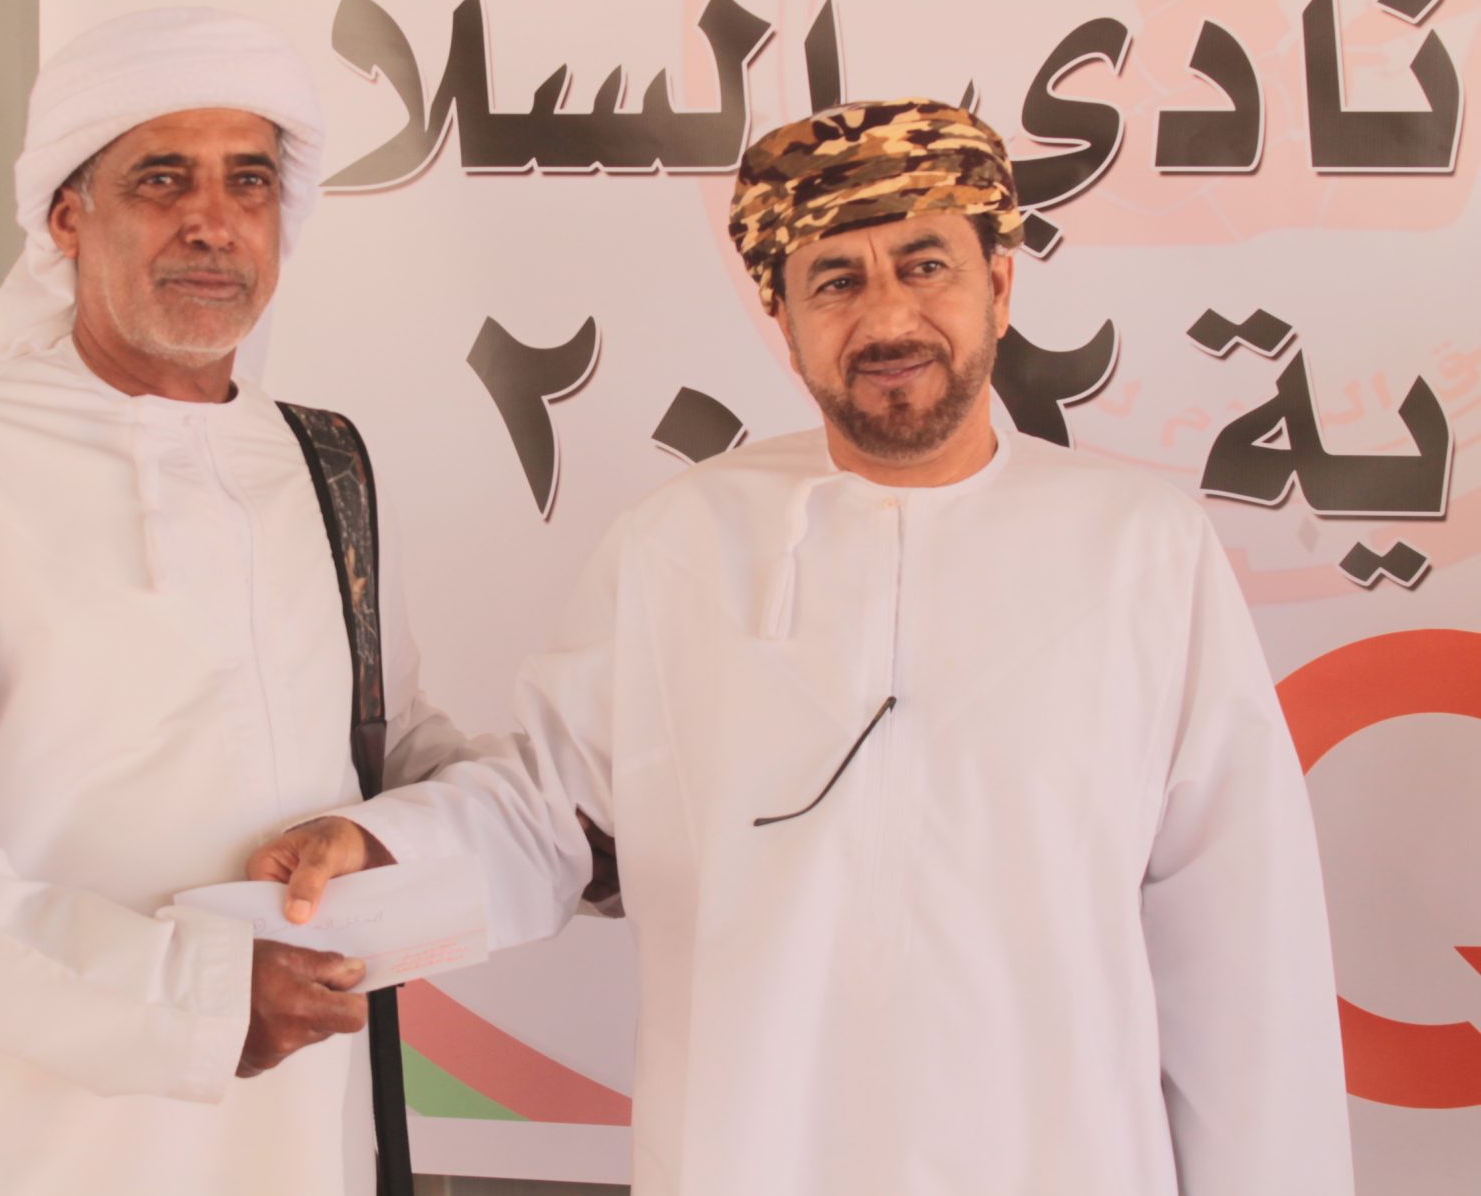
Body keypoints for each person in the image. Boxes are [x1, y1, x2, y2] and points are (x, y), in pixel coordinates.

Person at [258, 100, 1355, 1194]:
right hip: (754, 1157)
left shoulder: (1139, 550)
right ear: (782, 321)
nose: (887, 317)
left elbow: (1242, 951)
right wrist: (379, 849)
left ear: (998, 284)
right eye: (835, 280)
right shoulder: (680, 544)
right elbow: (546, 816)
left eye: (925, 265)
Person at [0, 8, 462, 1196]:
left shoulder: (323, 467)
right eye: (161, 178)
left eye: (248, 181)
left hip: (281, 1125)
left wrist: (550, 816)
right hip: (8, 1135)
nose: (211, 221)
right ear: (65, 215)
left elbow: (394, 751)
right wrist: (190, 999)